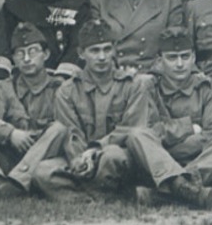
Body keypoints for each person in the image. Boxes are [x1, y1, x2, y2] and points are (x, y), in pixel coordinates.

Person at [28, 20, 153, 202]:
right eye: (94, 51)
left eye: (106, 49)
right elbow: (70, 133)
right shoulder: (67, 90)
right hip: (81, 158)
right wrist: (79, 160)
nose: (102, 57)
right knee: (42, 172)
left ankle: (86, 193)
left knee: (112, 156)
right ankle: (96, 197)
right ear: (81, 53)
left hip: (120, 157)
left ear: (114, 50)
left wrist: (96, 150)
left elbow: (131, 128)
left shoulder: (133, 86)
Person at [125, 28, 212, 208]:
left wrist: (169, 144)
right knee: (137, 135)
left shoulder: (207, 87)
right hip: (158, 160)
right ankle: (188, 188)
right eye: (172, 58)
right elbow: (150, 131)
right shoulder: (148, 86)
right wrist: (189, 127)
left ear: (194, 57)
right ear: (159, 60)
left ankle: (169, 188)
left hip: (195, 160)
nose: (180, 64)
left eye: (185, 57)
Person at [0, 31, 69, 198]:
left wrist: (28, 135)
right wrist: (10, 133)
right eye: (20, 53)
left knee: (59, 129)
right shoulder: (5, 88)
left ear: (45, 54)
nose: (26, 59)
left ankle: (15, 183)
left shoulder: (61, 88)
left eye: (32, 51)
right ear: (13, 60)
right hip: (11, 157)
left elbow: (66, 128)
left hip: (44, 157)